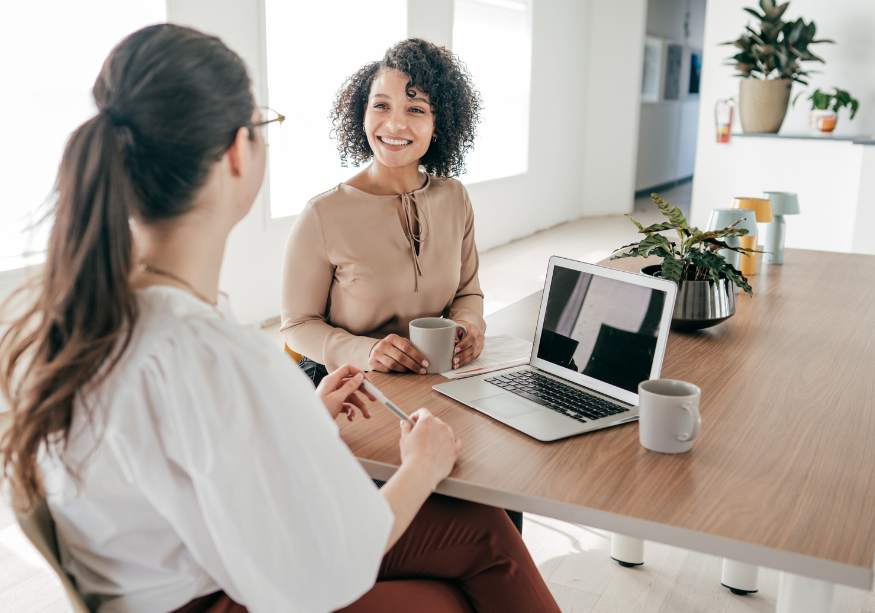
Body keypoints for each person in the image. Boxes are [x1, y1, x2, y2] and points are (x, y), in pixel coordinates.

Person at [0, 24, 558, 612]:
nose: (395, 123)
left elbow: (192, 457)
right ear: (239, 150)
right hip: (225, 594)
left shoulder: (71, 317)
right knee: (473, 566)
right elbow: (327, 568)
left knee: (482, 534)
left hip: (184, 574)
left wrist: (303, 420)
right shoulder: (209, 349)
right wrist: (423, 465)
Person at [281, 39, 486, 387]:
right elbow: (297, 326)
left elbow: (468, 292)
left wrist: (469, 326)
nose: (393, 125)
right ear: (362, 113)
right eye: (381, 106)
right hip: (343, 385)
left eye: (415, 109)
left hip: (429, 379)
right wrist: (366, 351)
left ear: (440, 123)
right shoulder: (323, 214)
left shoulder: (454, 198)